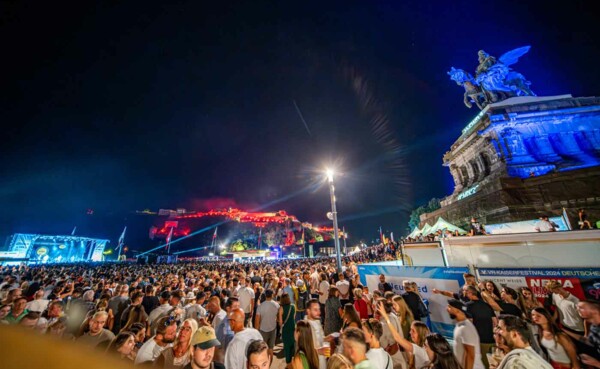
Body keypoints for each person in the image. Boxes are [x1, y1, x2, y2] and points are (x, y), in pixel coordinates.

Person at [377, 300, 427, 369]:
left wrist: (386, 317)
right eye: (410, 330)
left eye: (413, 331)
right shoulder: (420, 346)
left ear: (420, 333)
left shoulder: (420, 350)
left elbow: (397, 338)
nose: (410, 332)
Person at [446, 299, 484, 369]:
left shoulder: (465, 328)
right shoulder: (460, 325)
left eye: (449, 307)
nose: (447, 309)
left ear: (457, 310)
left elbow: (470, 355)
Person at [255, 289, 280, 358]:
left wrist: (256, 332)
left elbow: (257, 321)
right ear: (272, 295)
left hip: (263, 330)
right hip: (273, 329)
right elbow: (278, 318)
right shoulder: (277, 305)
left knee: (263, 350)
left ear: (265, 295)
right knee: (271, 349)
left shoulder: (260, 306)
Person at [305, 299, 328, 369]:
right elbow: (303, 349)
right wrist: (318, 351)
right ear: (308, 311)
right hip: (313, 364)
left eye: (319, 309)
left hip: (323, 362)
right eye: (315, 310)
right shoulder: (304, 326)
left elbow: (322, 338)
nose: (319, 312)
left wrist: (329, 338)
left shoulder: (317, 321)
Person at [278, 293, 297, 366]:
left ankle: (289, 364)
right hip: (293, 328)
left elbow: (280, 322)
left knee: (287, 348)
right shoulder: (293, 306)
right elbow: (293, 317)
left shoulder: (281, 308)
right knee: (293, 346)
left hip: (285, 330)